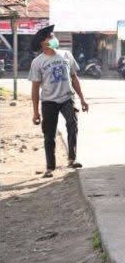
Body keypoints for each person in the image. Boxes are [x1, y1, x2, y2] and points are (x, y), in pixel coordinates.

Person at [28, 25, 89, 178]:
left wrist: (82, 98)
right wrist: (35, 111)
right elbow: (35, 89)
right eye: (51, 37)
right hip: (48, 102)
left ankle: (72, 158)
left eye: (53, 36)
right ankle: (50, 167)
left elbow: (74, 77)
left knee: (72, 125)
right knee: (49, 134)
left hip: (67, 98)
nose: (54, 39)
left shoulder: (66, 55)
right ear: (43, 42)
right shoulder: (37, 62)